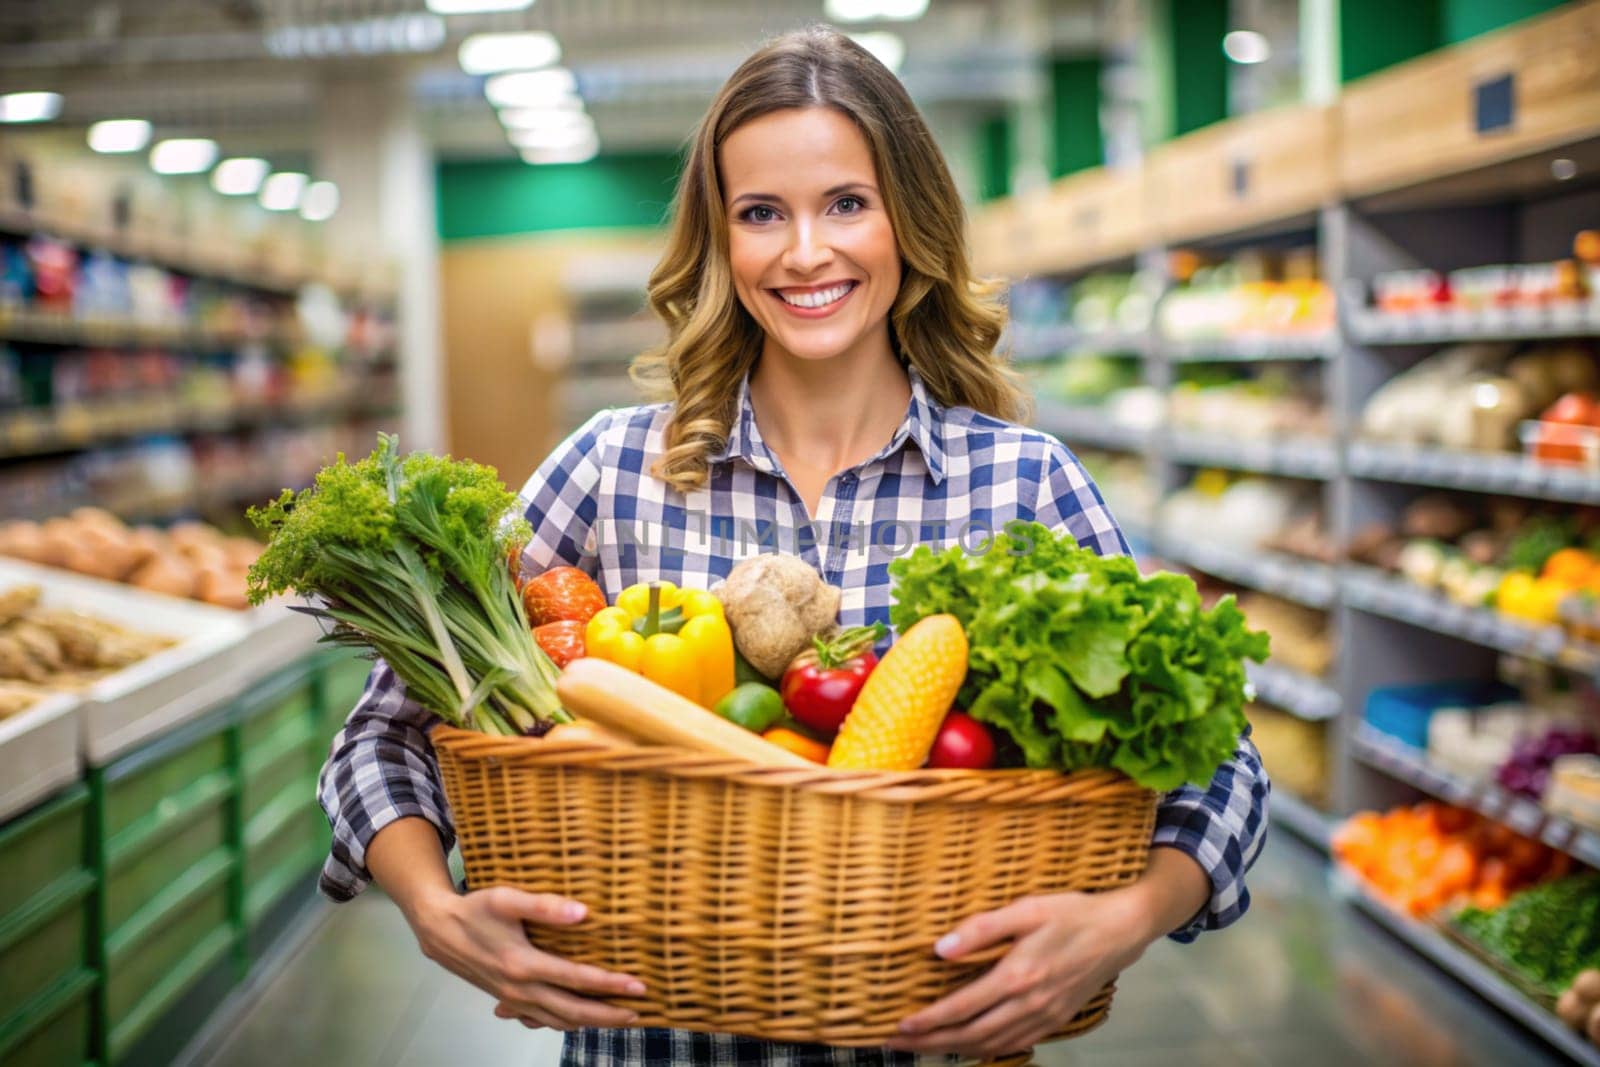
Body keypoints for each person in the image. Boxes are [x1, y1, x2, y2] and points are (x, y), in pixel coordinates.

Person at [318, 25, 1268, 1066]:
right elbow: (385, 729)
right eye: (761, 213)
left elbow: (1217, 761)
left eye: (846, 204)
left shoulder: (1024, 482)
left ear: (908, 221)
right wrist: (432, 906)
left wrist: (1127, 917)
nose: (804, 251)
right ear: (720, 241)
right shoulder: (611, 469)